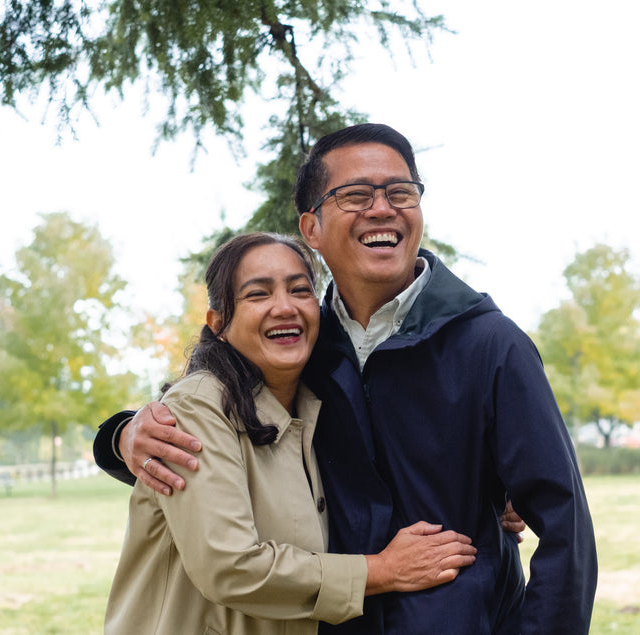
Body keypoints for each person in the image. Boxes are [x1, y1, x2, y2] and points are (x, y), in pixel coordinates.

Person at [96, 124, 599, 633]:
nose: (382, 208)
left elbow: (565, 528)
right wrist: (121, 436)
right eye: (356, 195)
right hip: (333, 621)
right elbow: (210, 428)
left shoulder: (492, 345)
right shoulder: (301, 347)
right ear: (311, 229)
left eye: (400, 192)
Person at [105, 232, 477, 634]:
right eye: (258, 295)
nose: (284, 307)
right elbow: (230, 567)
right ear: (218, 324)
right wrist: (382, 570)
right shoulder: (199, 408)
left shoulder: (318, 404)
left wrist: (493, 488)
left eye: (300, 290)